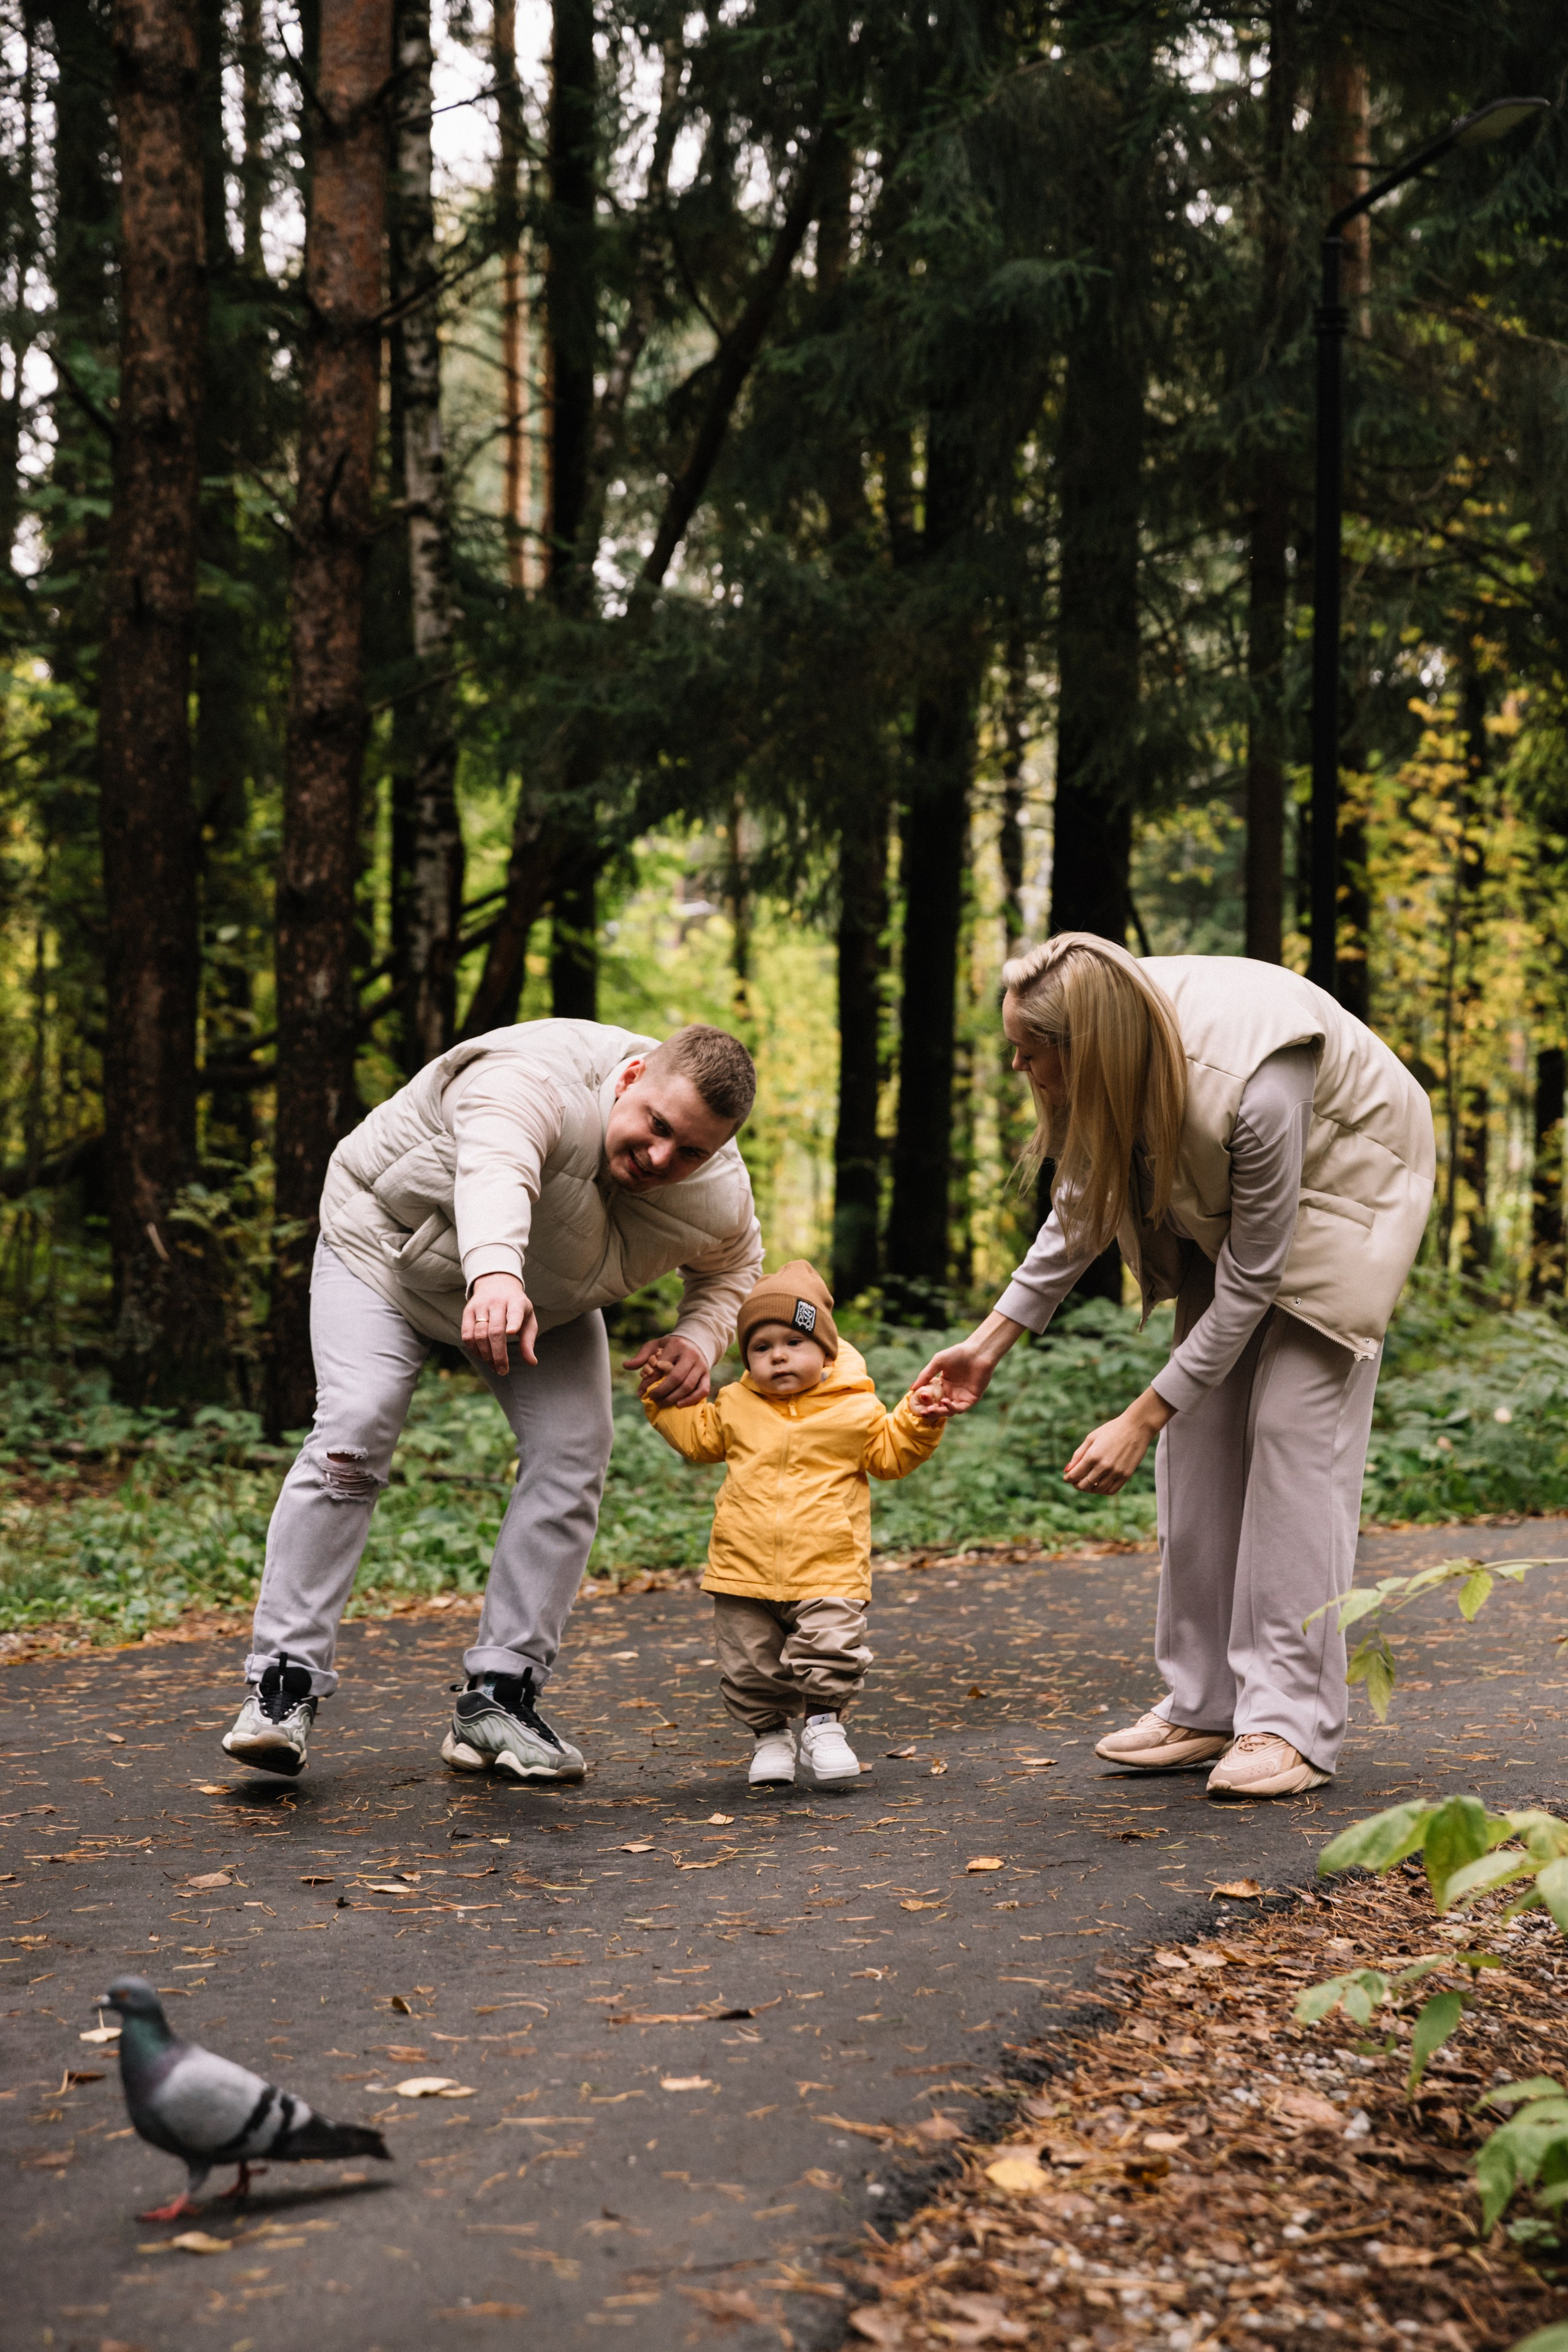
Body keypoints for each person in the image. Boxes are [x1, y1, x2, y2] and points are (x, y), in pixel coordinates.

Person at [917, 937, 1434, 1800]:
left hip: (1349, 1175)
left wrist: (1139, 1415)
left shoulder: (1257, 1085)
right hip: (1229, 1188)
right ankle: (1207, 1704)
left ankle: (1291, 1723)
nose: (1016, 1067)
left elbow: (1253, 1279)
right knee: (1198, 1431)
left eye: (1028, 1054)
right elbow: (1078, 1207)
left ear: (1084, 1048)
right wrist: (987, 1344)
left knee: (1291, 1431)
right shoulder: (1112, 1050)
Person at [222, 1020, 763, 1783]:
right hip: (383, 1251)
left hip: (538, 1294)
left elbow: (735, 1265)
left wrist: (699, 1340)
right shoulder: (527, 1078)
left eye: (691, 1152)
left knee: (575, 1449)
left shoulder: (716, 1188)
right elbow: (496, 1169)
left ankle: (499, 1700)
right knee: (356, 1429)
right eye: (657, 1126)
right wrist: (497, 1274)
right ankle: (282, 1685)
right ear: (631, 1077)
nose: (661, 1158)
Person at [643, 1261, 944, 1789]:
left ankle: (824, 1728)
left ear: (826, 1351)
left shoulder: (856, 1406)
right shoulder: (735, 1404)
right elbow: (697, 1437)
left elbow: (891, 1455)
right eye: (761, 1347)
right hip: (743, 1568)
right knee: (748, 1665)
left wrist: (919, 1418)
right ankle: (770, 1738)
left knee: (832, 1649)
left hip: (829, 1564)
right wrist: (661, 1393)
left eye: (794, 1342)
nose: (778, 1355)